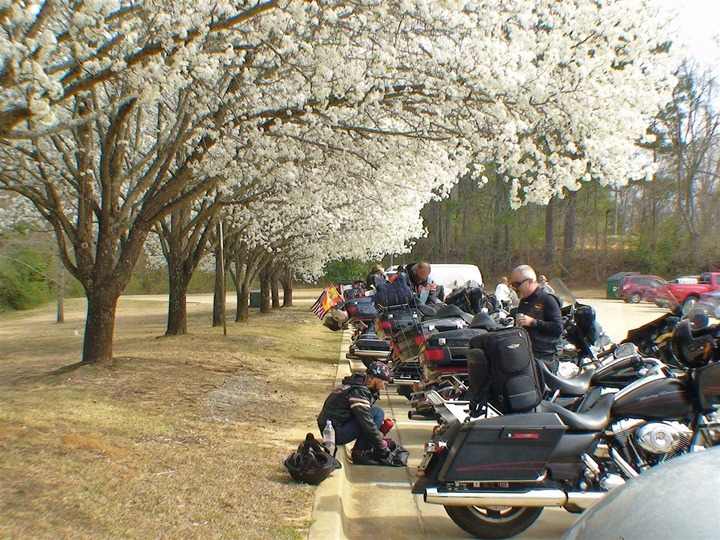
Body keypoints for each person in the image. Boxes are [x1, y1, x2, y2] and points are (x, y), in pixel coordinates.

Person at [317, 361, 393, 462]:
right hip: (335, 432)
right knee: (377, 413)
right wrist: (383, 450)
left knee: (373, 414)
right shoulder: (359, 391)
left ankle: (363, 449)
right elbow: (368, 424)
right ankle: (360, 453)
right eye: (384, 383)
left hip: (332, 427)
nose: (384, 387)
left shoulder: (358, 383)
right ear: (376, 379)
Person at [510, 264, 563, 373]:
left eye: (517, 284)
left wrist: (533, 322)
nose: (515, 289)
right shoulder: (523, 301)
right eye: (512, 285)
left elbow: (558, 328)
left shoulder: (548, 300)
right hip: (528, 353)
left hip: (545, 357)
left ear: (529, 282)